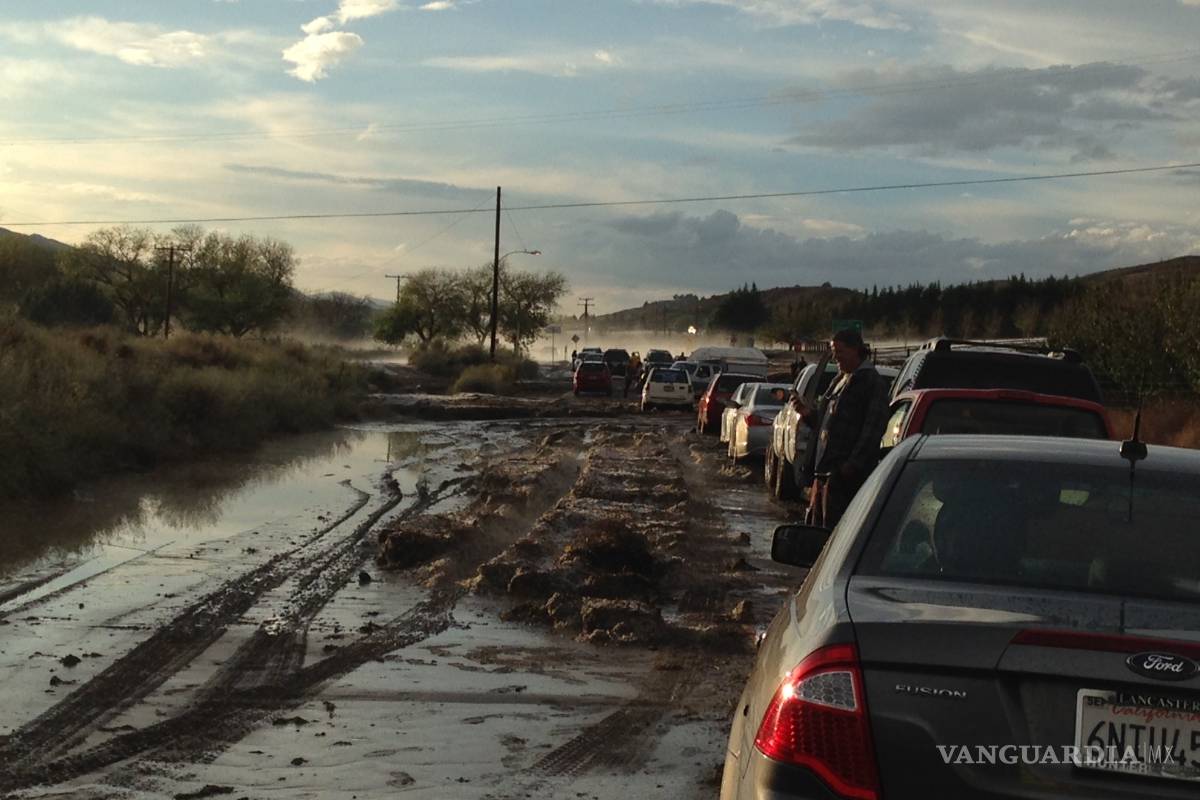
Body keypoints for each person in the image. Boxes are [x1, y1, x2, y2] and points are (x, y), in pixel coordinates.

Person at [795, 329, 889, 527]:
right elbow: (825, 424)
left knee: (835, 535)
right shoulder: (838, 381)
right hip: (823, 477)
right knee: (816, 534)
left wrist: (850, 466)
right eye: (833, 351)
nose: (835, 357)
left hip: (846, 482)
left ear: (856, 350)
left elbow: (873, 430)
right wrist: (806, 413)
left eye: (840, 351)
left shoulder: (872, 384)